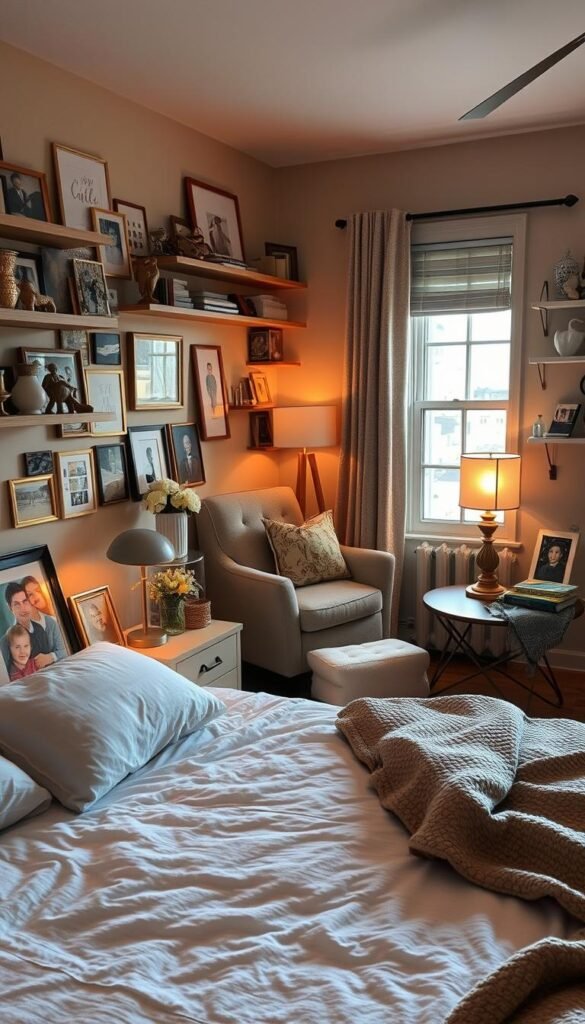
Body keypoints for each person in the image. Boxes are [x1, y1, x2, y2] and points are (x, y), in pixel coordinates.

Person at [0, 582, 66, 675]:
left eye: (25, 601)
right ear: (10, 607)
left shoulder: (40, 629)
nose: (23, 608)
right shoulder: (5, 641)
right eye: (17, 604)